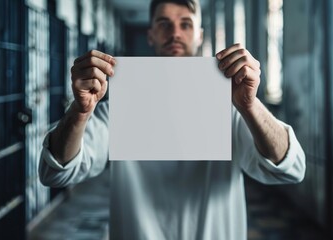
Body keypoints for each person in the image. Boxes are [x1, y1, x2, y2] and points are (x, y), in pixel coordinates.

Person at [39, 0, 306, 239]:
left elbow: (290, 168)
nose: (175, 33)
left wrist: (250, 105)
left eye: (186, 24)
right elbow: (58, 171)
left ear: (199, 35)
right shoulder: (119, 107)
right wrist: (80, 111)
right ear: (151, 35)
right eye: (164, 24)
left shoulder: (231, 108)